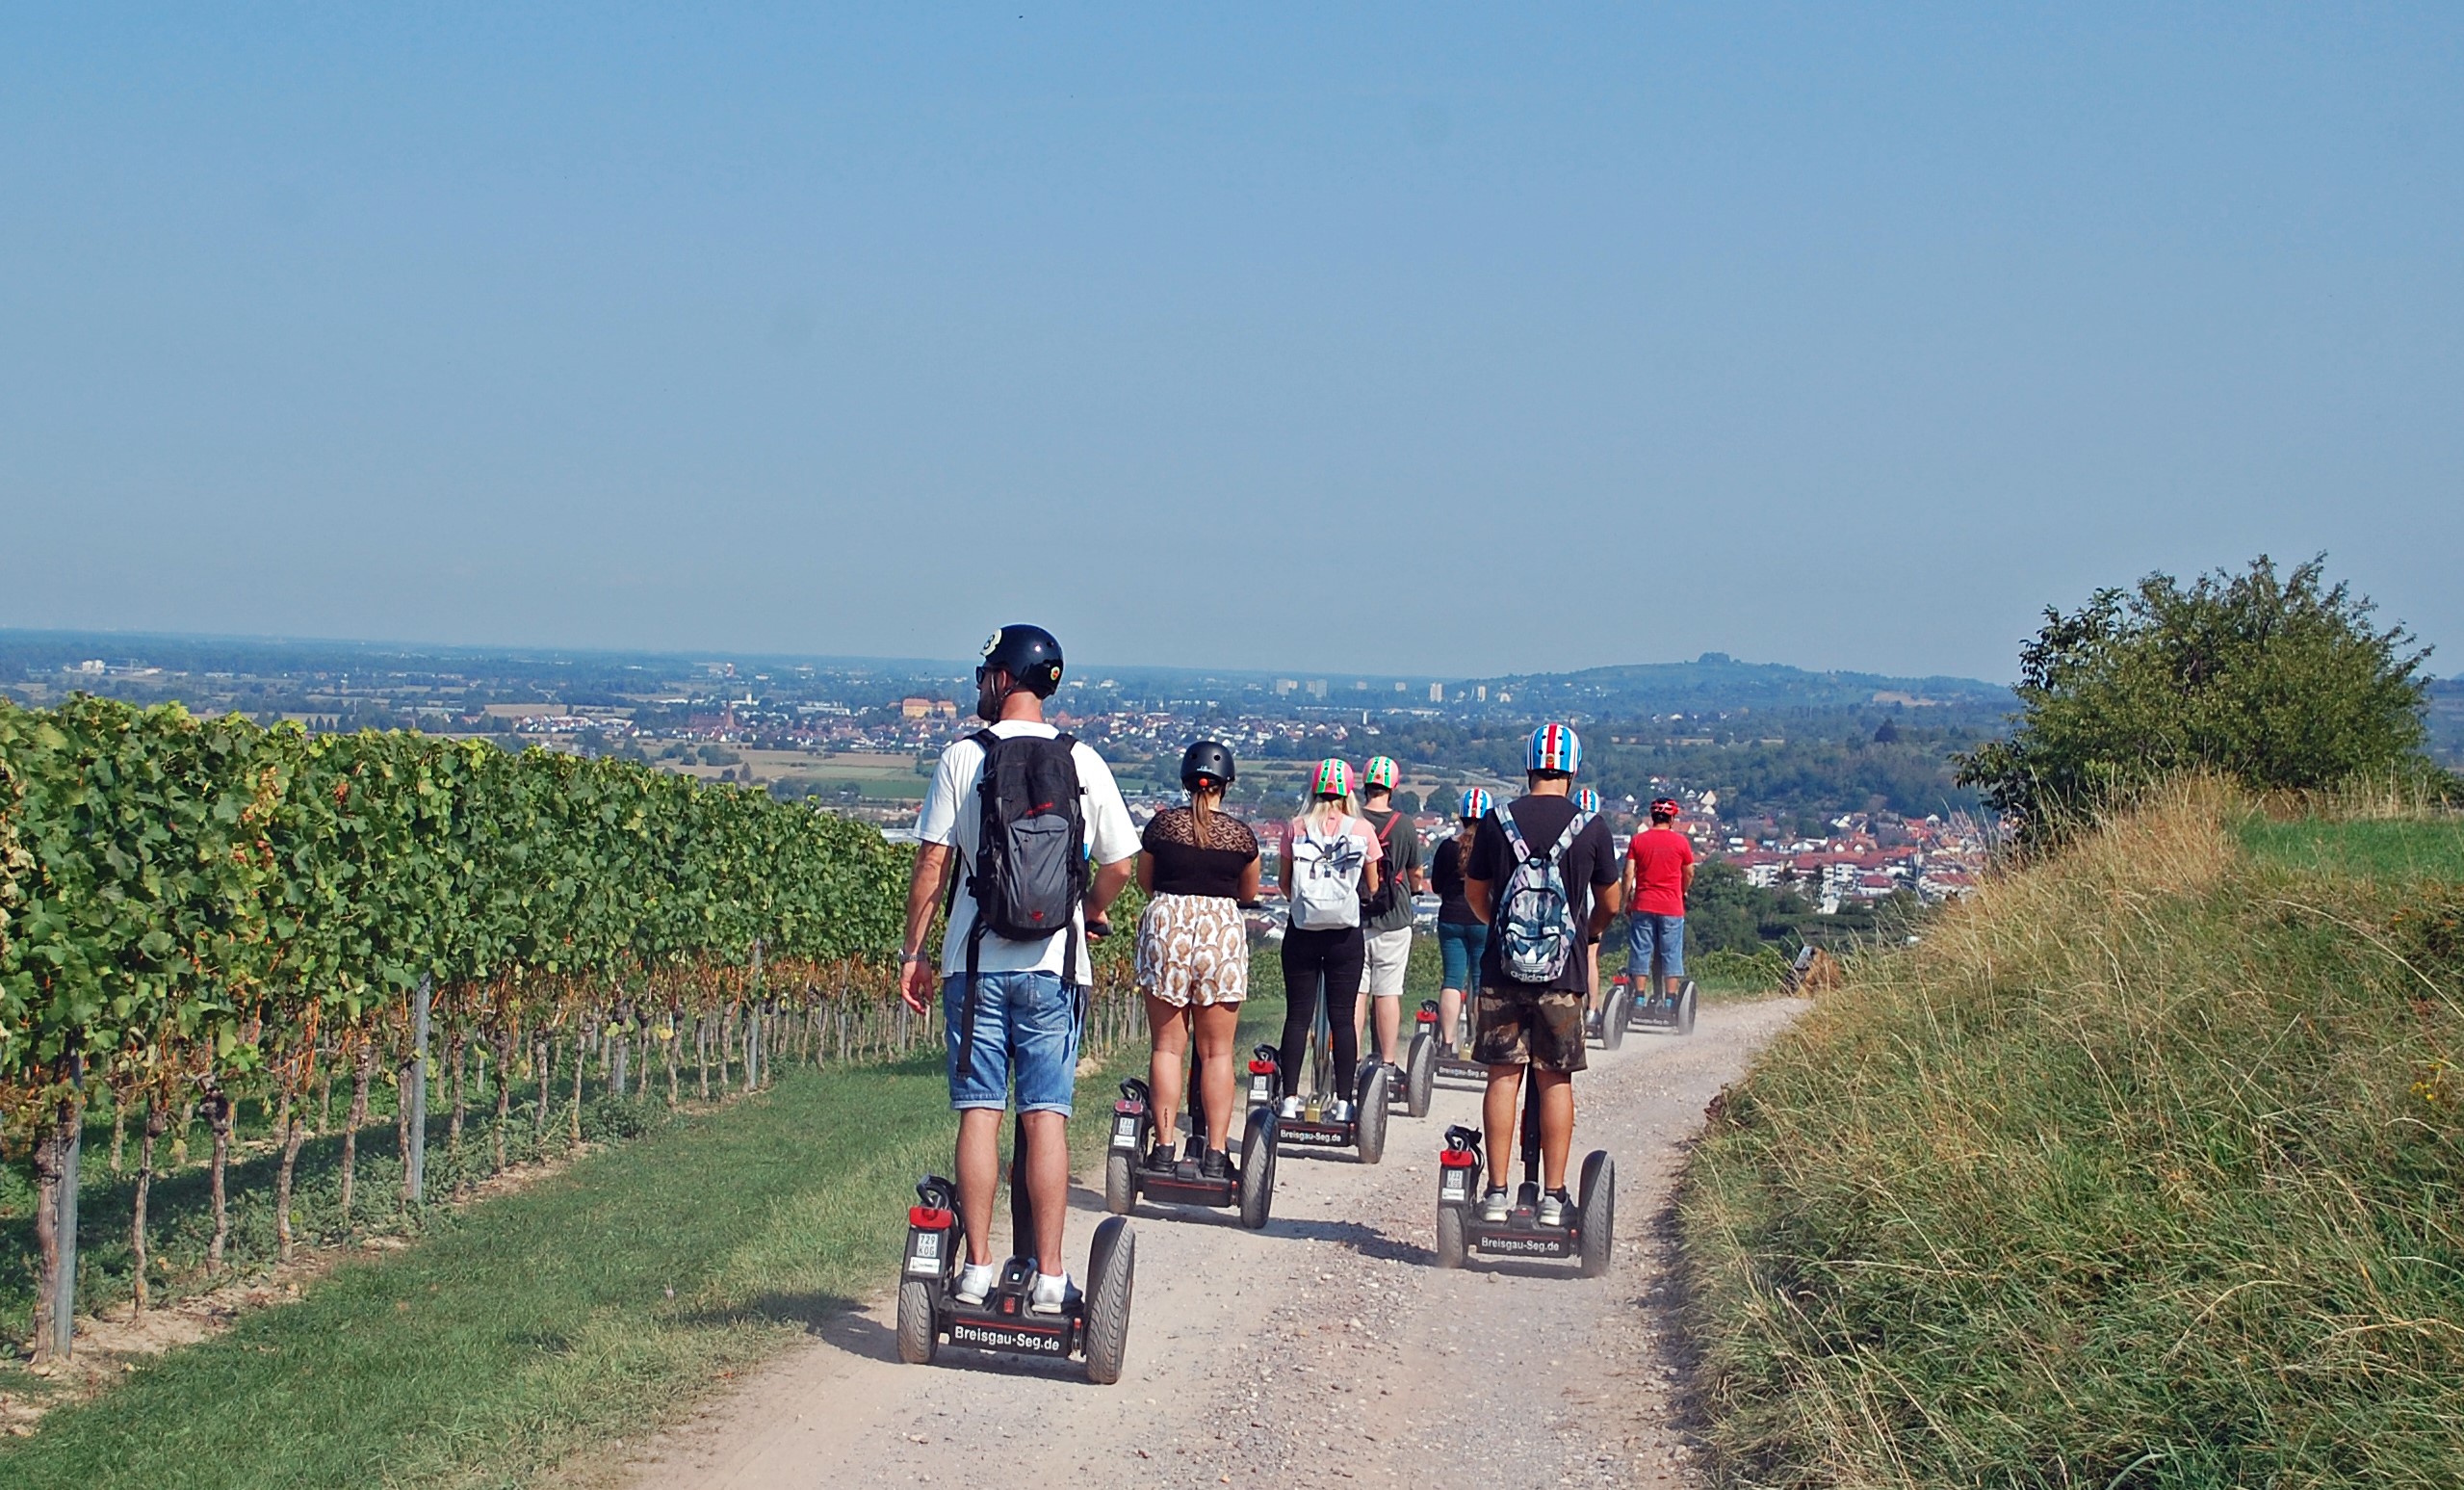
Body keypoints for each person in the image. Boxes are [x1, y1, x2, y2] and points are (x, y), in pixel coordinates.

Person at [898, 624, 1138, 1314]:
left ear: (1004, 679)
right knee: (1046, 1117)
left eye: (985, 673)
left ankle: (975, 1267)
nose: (979, 684)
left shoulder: (960, 759)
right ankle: (1051, 1276)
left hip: (972, 964)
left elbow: (932, 864)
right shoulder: (1083, 761)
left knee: (979, 1110)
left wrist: (914, 953)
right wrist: (1087, 909)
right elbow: (1120, 863)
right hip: (1055, 966)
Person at [1464, 723, 1622, 1226]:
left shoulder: (1496, 821)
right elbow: (1611, 903)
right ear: (1572, 770)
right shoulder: (1592, 827)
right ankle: (1553, 1197)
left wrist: (1503, 929)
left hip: (1503, 970)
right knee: (1555, 1081)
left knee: (1503, 1077)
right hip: (1563, 974)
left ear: (1528, 765)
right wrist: (1586, 934)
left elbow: (1475, 895)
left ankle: (1495, 1193)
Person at [1133, 741, 1261, 1179]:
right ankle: (1216, 1153)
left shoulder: (1161, 828)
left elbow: (1145, 882)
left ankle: (1165, 1148)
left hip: (1166, 923)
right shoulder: (1242, 837)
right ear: (1226, 785)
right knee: (1217, 1053)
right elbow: (1247, 894)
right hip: (1220, 933)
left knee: (1168, 1048)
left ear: (1186, 782)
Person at [1273, 758, 1383, 1121]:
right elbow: (1373, 885)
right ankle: (1343, 1103)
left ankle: (1289, 1100)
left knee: (1298, 1016)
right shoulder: (1363, 829)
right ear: (1348, 792)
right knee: (1342, 1018)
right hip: (1344, 935)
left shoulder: (1295, 827)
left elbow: (1284, 884)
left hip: (1302, 931)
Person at [1352, 755, 1424, 1082]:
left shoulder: (1350, 819)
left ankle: (1350, 1061)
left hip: (1355, 915)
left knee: (1356, 992)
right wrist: (1415, 887)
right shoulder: (1404, 825)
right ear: (1393, 787)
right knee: (1388, 991)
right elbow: (1415, 872)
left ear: (1365, 785)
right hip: (1394, 916)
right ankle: (1388, 1063)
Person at [1428, 788, 1492, 1056]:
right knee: (1480, 982)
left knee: (1452, 980)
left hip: (1451, 918)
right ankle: (1479, 1042)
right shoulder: (1491, 849)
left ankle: (1447, 1043)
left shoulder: (1447, 847)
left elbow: (1437, 885)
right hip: (1482, 920)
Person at [1622, 796, 1697, 1006]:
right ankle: (1671, 1000)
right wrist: (1682, 891)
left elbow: (1628, 873)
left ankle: (1638, 996)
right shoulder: (1681, 842)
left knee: (1641, 949)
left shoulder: (1638, 841)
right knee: (1670, 951)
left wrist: (1626, 900)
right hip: (1671, 906)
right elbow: (1689, 872)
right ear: (1672, 818)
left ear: (1652, 817)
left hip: (1644, 903)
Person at [1574, 787, 1609, 1033]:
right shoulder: (1599, 834)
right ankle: (1592, 1010)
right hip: (1592, 905)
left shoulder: (1568, 835)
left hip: (1571, 903)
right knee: (1589, 958)